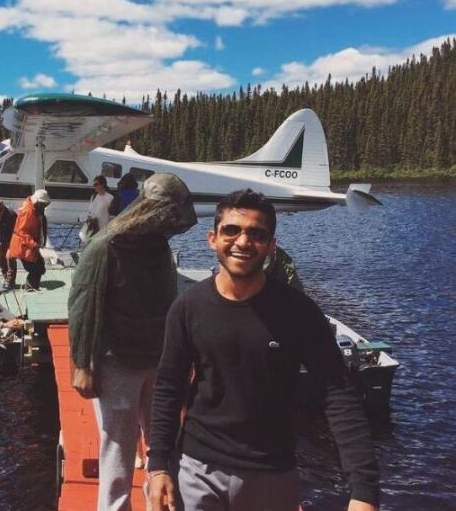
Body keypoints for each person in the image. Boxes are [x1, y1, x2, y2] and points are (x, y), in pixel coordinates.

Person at [148, 189, 379, 511]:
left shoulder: (298, 311)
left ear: (271, 245)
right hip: (198, 467)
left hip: (272, 472)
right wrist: (158, 466)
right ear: (212, 238)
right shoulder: (188, 306)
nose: (242, 242)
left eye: (256, 234)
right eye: (231, 230)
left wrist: (364, 489)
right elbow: (168, 387)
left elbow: (337, 393)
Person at [68, 173, 198, 511]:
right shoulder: (105, 246)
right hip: (117, 362)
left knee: (162, 441)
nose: (171, 223)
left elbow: (171, 301)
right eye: (167, 214)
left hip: (157, 360)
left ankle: (162, 502)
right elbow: (82, 306)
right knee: (118, 446)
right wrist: (82, 364)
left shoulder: (159, 248)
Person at [9, 189, 50, 292]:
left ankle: (31, 288)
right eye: (43, 204)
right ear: (37, 202)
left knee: (39, 267)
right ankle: (30, 289)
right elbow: (22, 233)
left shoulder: (33, 209)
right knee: (36, 269)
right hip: (24, 246)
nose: (44, 207)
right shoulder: (27, 212)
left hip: (28, 245)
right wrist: (35, 245)